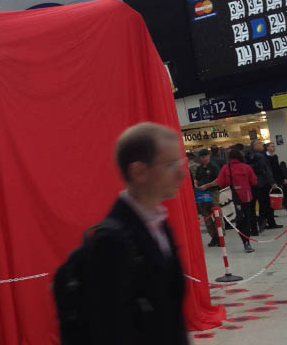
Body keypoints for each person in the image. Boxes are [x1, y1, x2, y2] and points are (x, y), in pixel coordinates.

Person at [55, 122, 188, 344]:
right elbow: (111, 330)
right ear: (139, 172)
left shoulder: (159, 223)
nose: (182, 173)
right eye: (171, 164)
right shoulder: (112, 241)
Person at [204, 148, 258, 253]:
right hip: (246, 197)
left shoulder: (226, 168)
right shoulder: (246, 167)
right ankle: (247, 241)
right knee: (247, 219)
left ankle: (245, 241)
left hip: (232, 197)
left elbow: (221, 182)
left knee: (238, 220)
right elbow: (254, 181)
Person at [246, 140, 280, 232]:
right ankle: (263, 221)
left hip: (251, 184)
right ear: (255, 146)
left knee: (252, 206)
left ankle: (255, 226)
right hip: (262, 183)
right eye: (260, 144)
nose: (262, 145)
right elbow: (265, 170)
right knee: (264, 204)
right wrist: (272, 182)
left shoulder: (248, 156)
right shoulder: (260, 156)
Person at [191, 149, 221, 247]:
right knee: (206, 216)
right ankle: (213, 236)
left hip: (212, 193)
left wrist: (207, 186)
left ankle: (220, 236)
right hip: (202, 194)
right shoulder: (200, 168)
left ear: (209, 156)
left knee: (217, 215)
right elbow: (196, 178)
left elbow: (218, 180)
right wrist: (196, 183)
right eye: (202, 157)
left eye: (205, 156)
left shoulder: (214, 166)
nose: (204, 159)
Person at [265, 142, 287, 216]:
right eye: (271, 146)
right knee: (274, 195)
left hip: (277, 178)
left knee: (279, 194)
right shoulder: (266, 157)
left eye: (274, 146)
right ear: (267, 148)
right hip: (271, 178)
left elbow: (278, 167)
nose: (273, 148)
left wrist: (283, 177)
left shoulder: (275, 156)